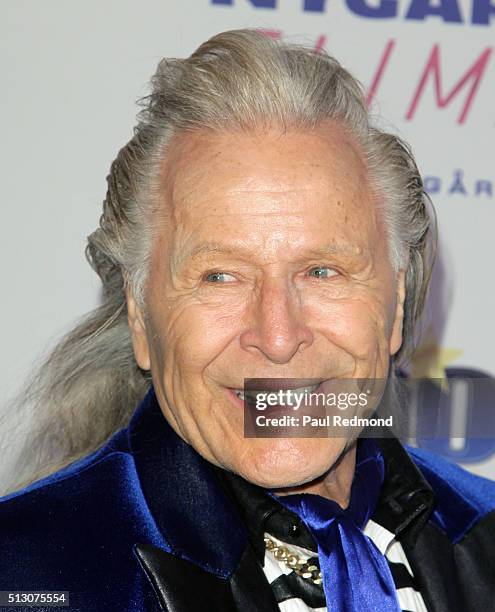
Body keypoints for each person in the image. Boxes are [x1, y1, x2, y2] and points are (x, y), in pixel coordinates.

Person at [0, 28, 494, 612]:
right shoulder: (24, 573)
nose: (279, 338)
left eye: (322, 271)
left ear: (396, 304)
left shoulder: (484, 534)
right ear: (140, 316)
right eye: (220, 276)